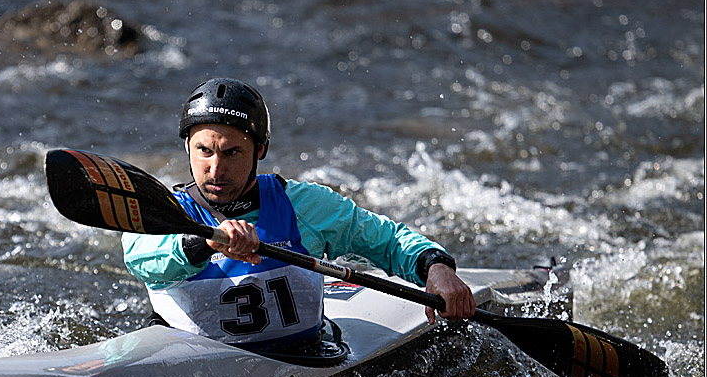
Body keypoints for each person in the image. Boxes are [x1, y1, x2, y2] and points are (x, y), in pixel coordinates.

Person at [122, 77, 476, 353]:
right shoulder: (162, 211)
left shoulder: (303, 205)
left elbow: (386, 239)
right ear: (187, 146)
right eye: (204, 151)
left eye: (232, 153)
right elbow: (140, 258)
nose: (216, 169)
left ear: (259, 149)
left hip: (304, 356)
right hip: (192, 367)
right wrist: (207, 242)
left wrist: (437, 268)